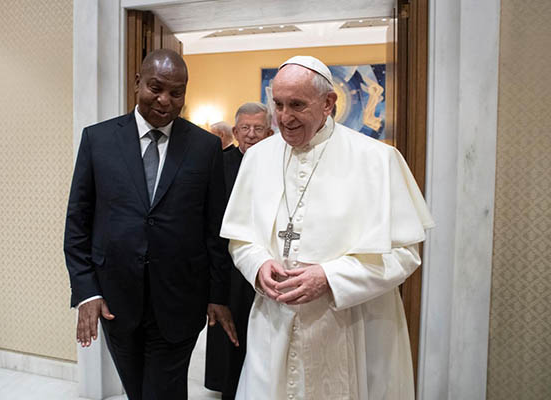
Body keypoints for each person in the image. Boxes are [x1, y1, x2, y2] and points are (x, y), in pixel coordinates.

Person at [220, 56, 435, 400]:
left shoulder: (376, 159)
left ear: (328, 103)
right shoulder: (257, 157)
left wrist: (330, 278)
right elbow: (240, 239)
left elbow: (404, 254)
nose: (284, 117)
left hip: (353, 324)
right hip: (275, 323)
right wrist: (258, 264)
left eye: (297, 105)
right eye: (278, 104)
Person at [64, 49, 238, 400]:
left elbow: (215, 229)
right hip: (116, 301)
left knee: (163, 392)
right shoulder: (98, 140)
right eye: (156, 88)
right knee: (137, 391)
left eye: (177, 92)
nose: (165, 100)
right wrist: (87, 291)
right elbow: (78, 221)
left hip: (180, 301)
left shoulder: (205, 147)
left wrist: (217, 295)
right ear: (137, 83)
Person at [205, 102, 273, 400]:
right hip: (226, 263)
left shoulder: (278, 162)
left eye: (258, 128)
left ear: (269, 132)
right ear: (235, 131)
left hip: (266, 261)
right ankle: (228, 388)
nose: (251, 134)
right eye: (245, 128)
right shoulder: (219, 163)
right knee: (229, 328)